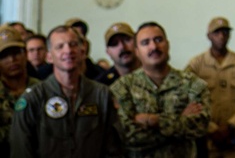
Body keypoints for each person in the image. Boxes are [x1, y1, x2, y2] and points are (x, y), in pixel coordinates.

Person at [10, 25, 123, 156]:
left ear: (82, 52)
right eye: (60, 47)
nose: (68, 50)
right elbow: (21, 150)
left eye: (73, 44)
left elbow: (114, 148)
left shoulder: (101, 95)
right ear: (49, 57)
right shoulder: (33, 98)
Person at [110, 22, 211, 157]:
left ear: (167, 44)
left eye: (158, 40)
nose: (154, 46)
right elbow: (126, 136)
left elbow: (199, 127)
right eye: (145, 43)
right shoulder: (122, 87)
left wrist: (153, 121)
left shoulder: (193, 84)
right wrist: (178, 122)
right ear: (137, 51)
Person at [185, 17, 235, 157]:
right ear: (209, 36)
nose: (221, 36)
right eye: (217, 32)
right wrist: (211, 128)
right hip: (206, 141)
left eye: (225, 32)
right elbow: (187, 99)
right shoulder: (196, 65)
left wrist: (232, 125)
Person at [0, 25, 40, 156]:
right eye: (4, 56)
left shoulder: (41, 90)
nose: (12, 60)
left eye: (16, 53)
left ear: (25, 54)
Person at [97, 22, 140, 86]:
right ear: (108, 52)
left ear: (137, 42)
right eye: (114, 44)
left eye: (126, 40)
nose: (122, 47)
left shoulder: (154, 72)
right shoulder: (102, 85)